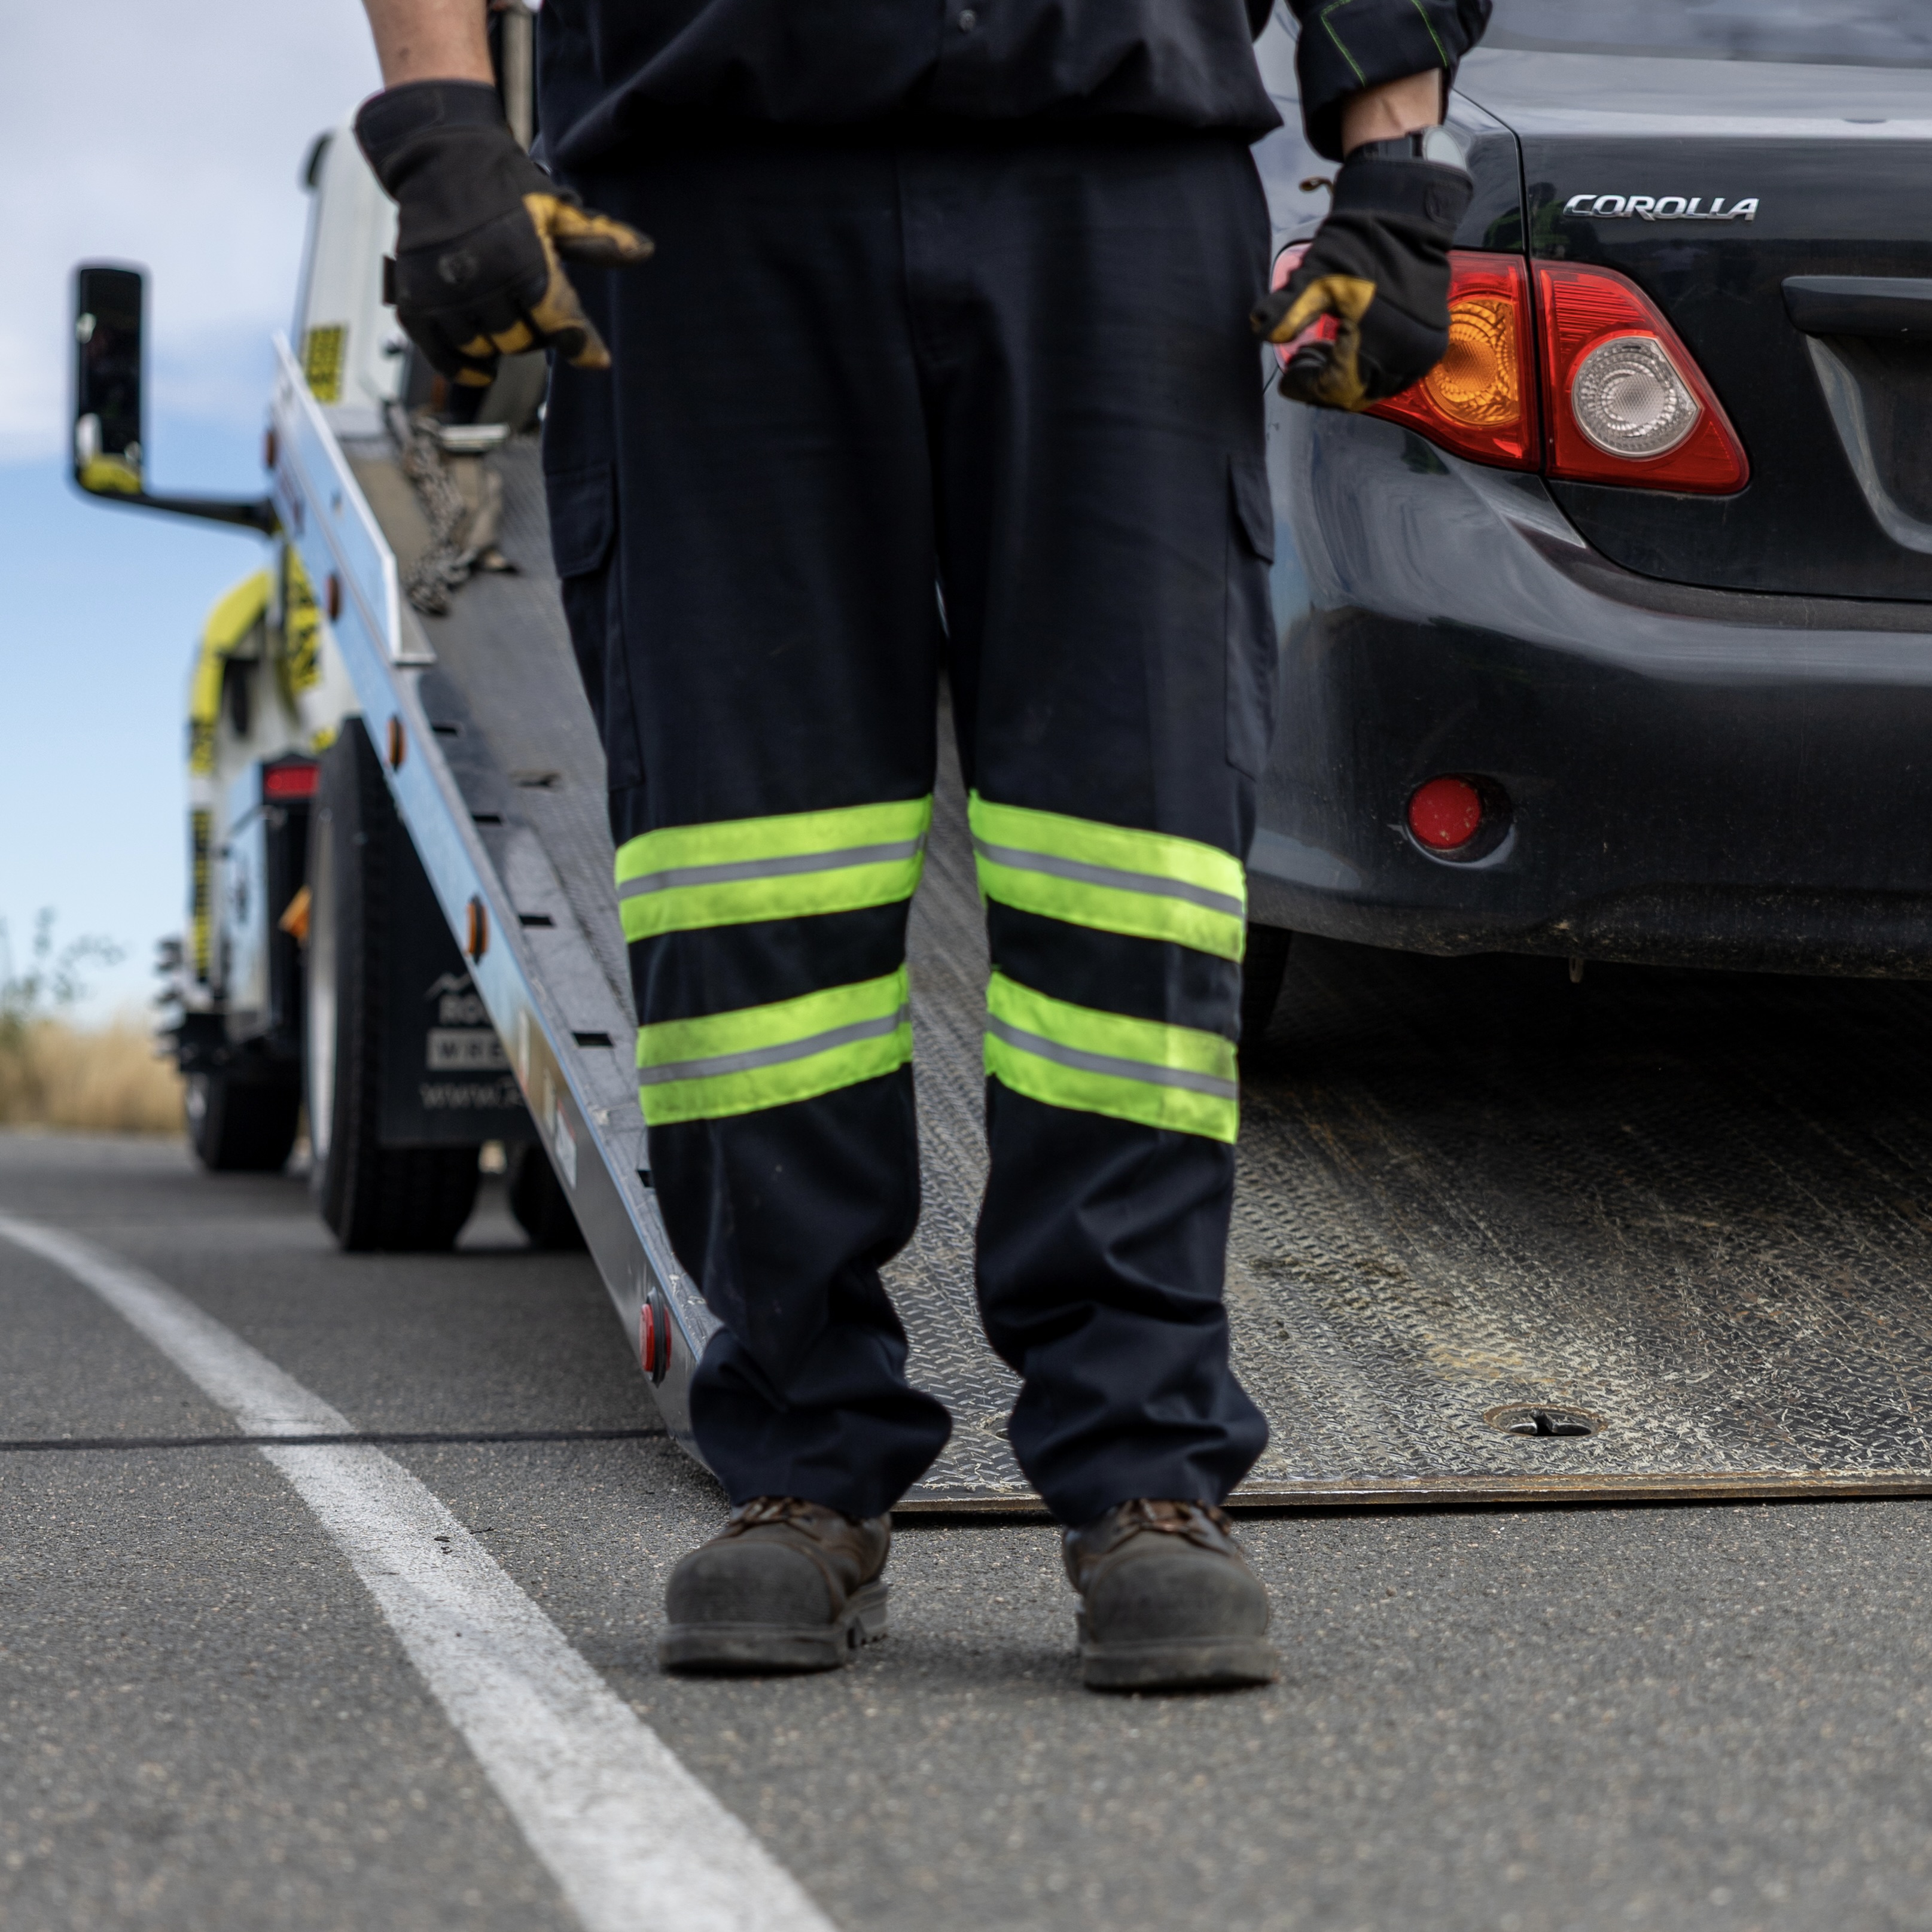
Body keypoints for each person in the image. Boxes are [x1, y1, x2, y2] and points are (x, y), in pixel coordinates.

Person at [354, 0, 1489, 1692]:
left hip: (1113, 176)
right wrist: (442, 123)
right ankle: (802, 1458)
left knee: (1129, 853)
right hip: (705, 188)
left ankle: (1146, 1472)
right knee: (750, 869)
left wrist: (1394, 163)